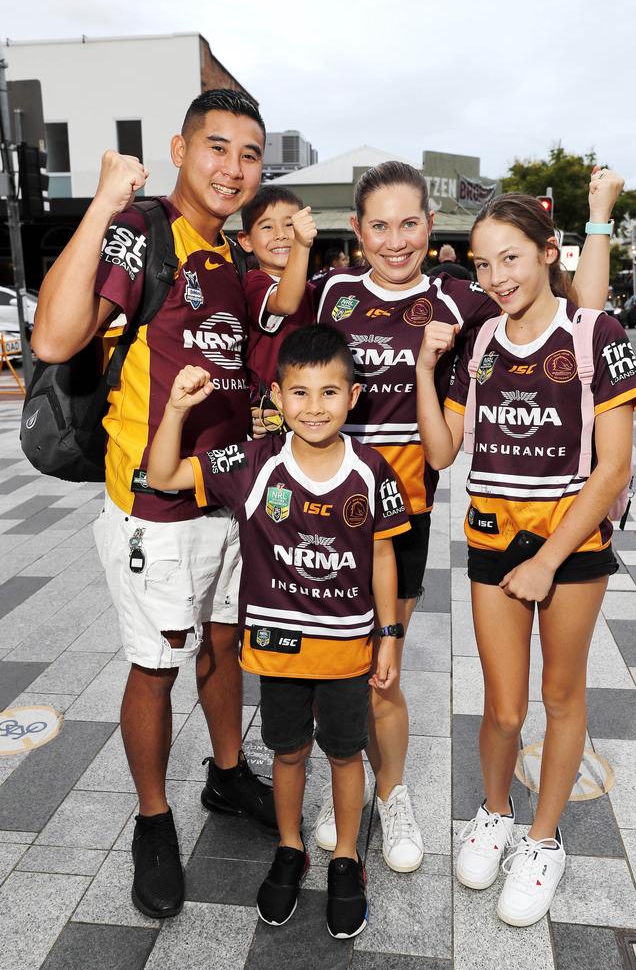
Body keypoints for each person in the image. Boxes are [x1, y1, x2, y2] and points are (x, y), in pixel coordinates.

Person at [313, 160, 622, 872]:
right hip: (341, 515)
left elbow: (585, 315)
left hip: (421, 517)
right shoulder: (334, 295)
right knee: (349, 660)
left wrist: (599, 216)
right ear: (357, 232)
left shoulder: (462, 302)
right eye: (380, 225)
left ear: (430, 226)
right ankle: (352, 781)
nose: (396, 240)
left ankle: (455, 815)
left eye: (410, 223)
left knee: (388, 664)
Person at [31, 89, 277, 920]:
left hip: (226, 500)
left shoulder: (240, 261)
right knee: (155, 663)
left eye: (249, 154)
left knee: (224, 643)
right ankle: (151, 817)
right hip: (153, 508)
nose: (233, 168)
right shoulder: (141, 232)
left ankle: (226, 771)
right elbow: (55, 341)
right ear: (179, 148)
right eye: (217, 147)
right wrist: (103, 201)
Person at [416, 191, 636, 926]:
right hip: (491, 541)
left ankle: (543, 842)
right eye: (483, 264)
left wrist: (549, 559)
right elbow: (442, 451)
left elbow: (611, 468)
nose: (496, 277)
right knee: (503, 706)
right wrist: (426, 370)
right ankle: (494, 813)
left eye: (510, 258)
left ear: (550, 251)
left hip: (572, 546)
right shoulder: (481, 342)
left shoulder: (594, 332)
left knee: (562, 696)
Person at [146, 325, 410, 939]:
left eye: (328, 393)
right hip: (278, 650)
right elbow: (163, 476)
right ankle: (290, 848)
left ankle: (347, 856)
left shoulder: (373, 470)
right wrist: (177, 408)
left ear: (353, 396)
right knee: (287, 752)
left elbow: (382, 557)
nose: (314, 407)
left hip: (348, 651)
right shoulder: (255, 462)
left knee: (346, 754)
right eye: (299, 393)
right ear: (277, 396)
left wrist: (390, 633)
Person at [237, 185, 317, 415]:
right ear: (246, 240)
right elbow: (285, 302)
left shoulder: (314, 291)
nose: (281, 234)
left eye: (290, 224)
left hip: (309, 404)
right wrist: (301, 244)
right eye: (267, 226)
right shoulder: (254, 282)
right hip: (268, 408)